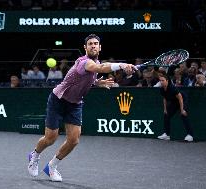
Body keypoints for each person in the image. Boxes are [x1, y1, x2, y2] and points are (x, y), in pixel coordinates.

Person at [27, 34, 136, 182]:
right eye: (90, 44)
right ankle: (34, 155)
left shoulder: (95, 63)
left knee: (74, 140)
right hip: (58, 100)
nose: (93, 45)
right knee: (51, 138)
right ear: (85, 48)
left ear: (100, 47)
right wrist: (122, 65)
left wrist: (97, 83)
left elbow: (88, 76)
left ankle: (51, 167)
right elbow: (99, 67)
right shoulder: (84, 62)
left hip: (75, 104)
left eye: (96, 43)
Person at [157, 73, 194, 142]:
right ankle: (167, 135)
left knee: (183, 115)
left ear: (167, 81)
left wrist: (182, 109)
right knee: (166, 115)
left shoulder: (172, 88)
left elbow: (180, 98)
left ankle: (190, 135)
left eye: (163, 80)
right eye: (160, 81)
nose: (161, 82)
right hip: (174, 102)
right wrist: (165, 109)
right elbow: (164, 98)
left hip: (183, 99)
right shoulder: (161, 89)